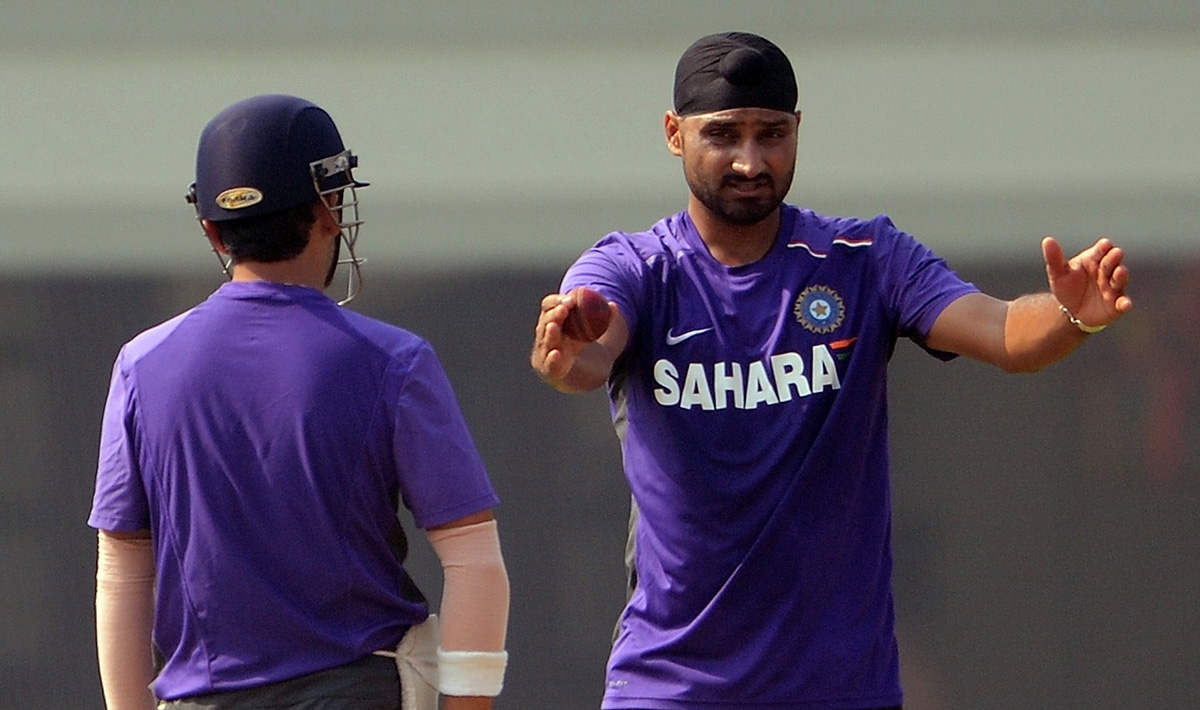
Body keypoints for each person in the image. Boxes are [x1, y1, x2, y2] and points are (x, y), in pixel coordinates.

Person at [530, 32, 1132, 710]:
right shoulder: (636, 268)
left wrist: (1068, 315)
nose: (750, 160)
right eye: (723, 134)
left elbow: (1003, 334)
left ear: (798, 131)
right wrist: (567, 350)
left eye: (772, 134)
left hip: (839, 689)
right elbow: (587, 350)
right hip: (670, 686)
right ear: (674, 134)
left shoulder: (865, 258)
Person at [90, 94, 509, 710]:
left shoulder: (141, 366)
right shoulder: (394, 359)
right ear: (330, 209)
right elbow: (474, 561)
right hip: (358, 691)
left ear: (211, 229)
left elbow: (123, 574)